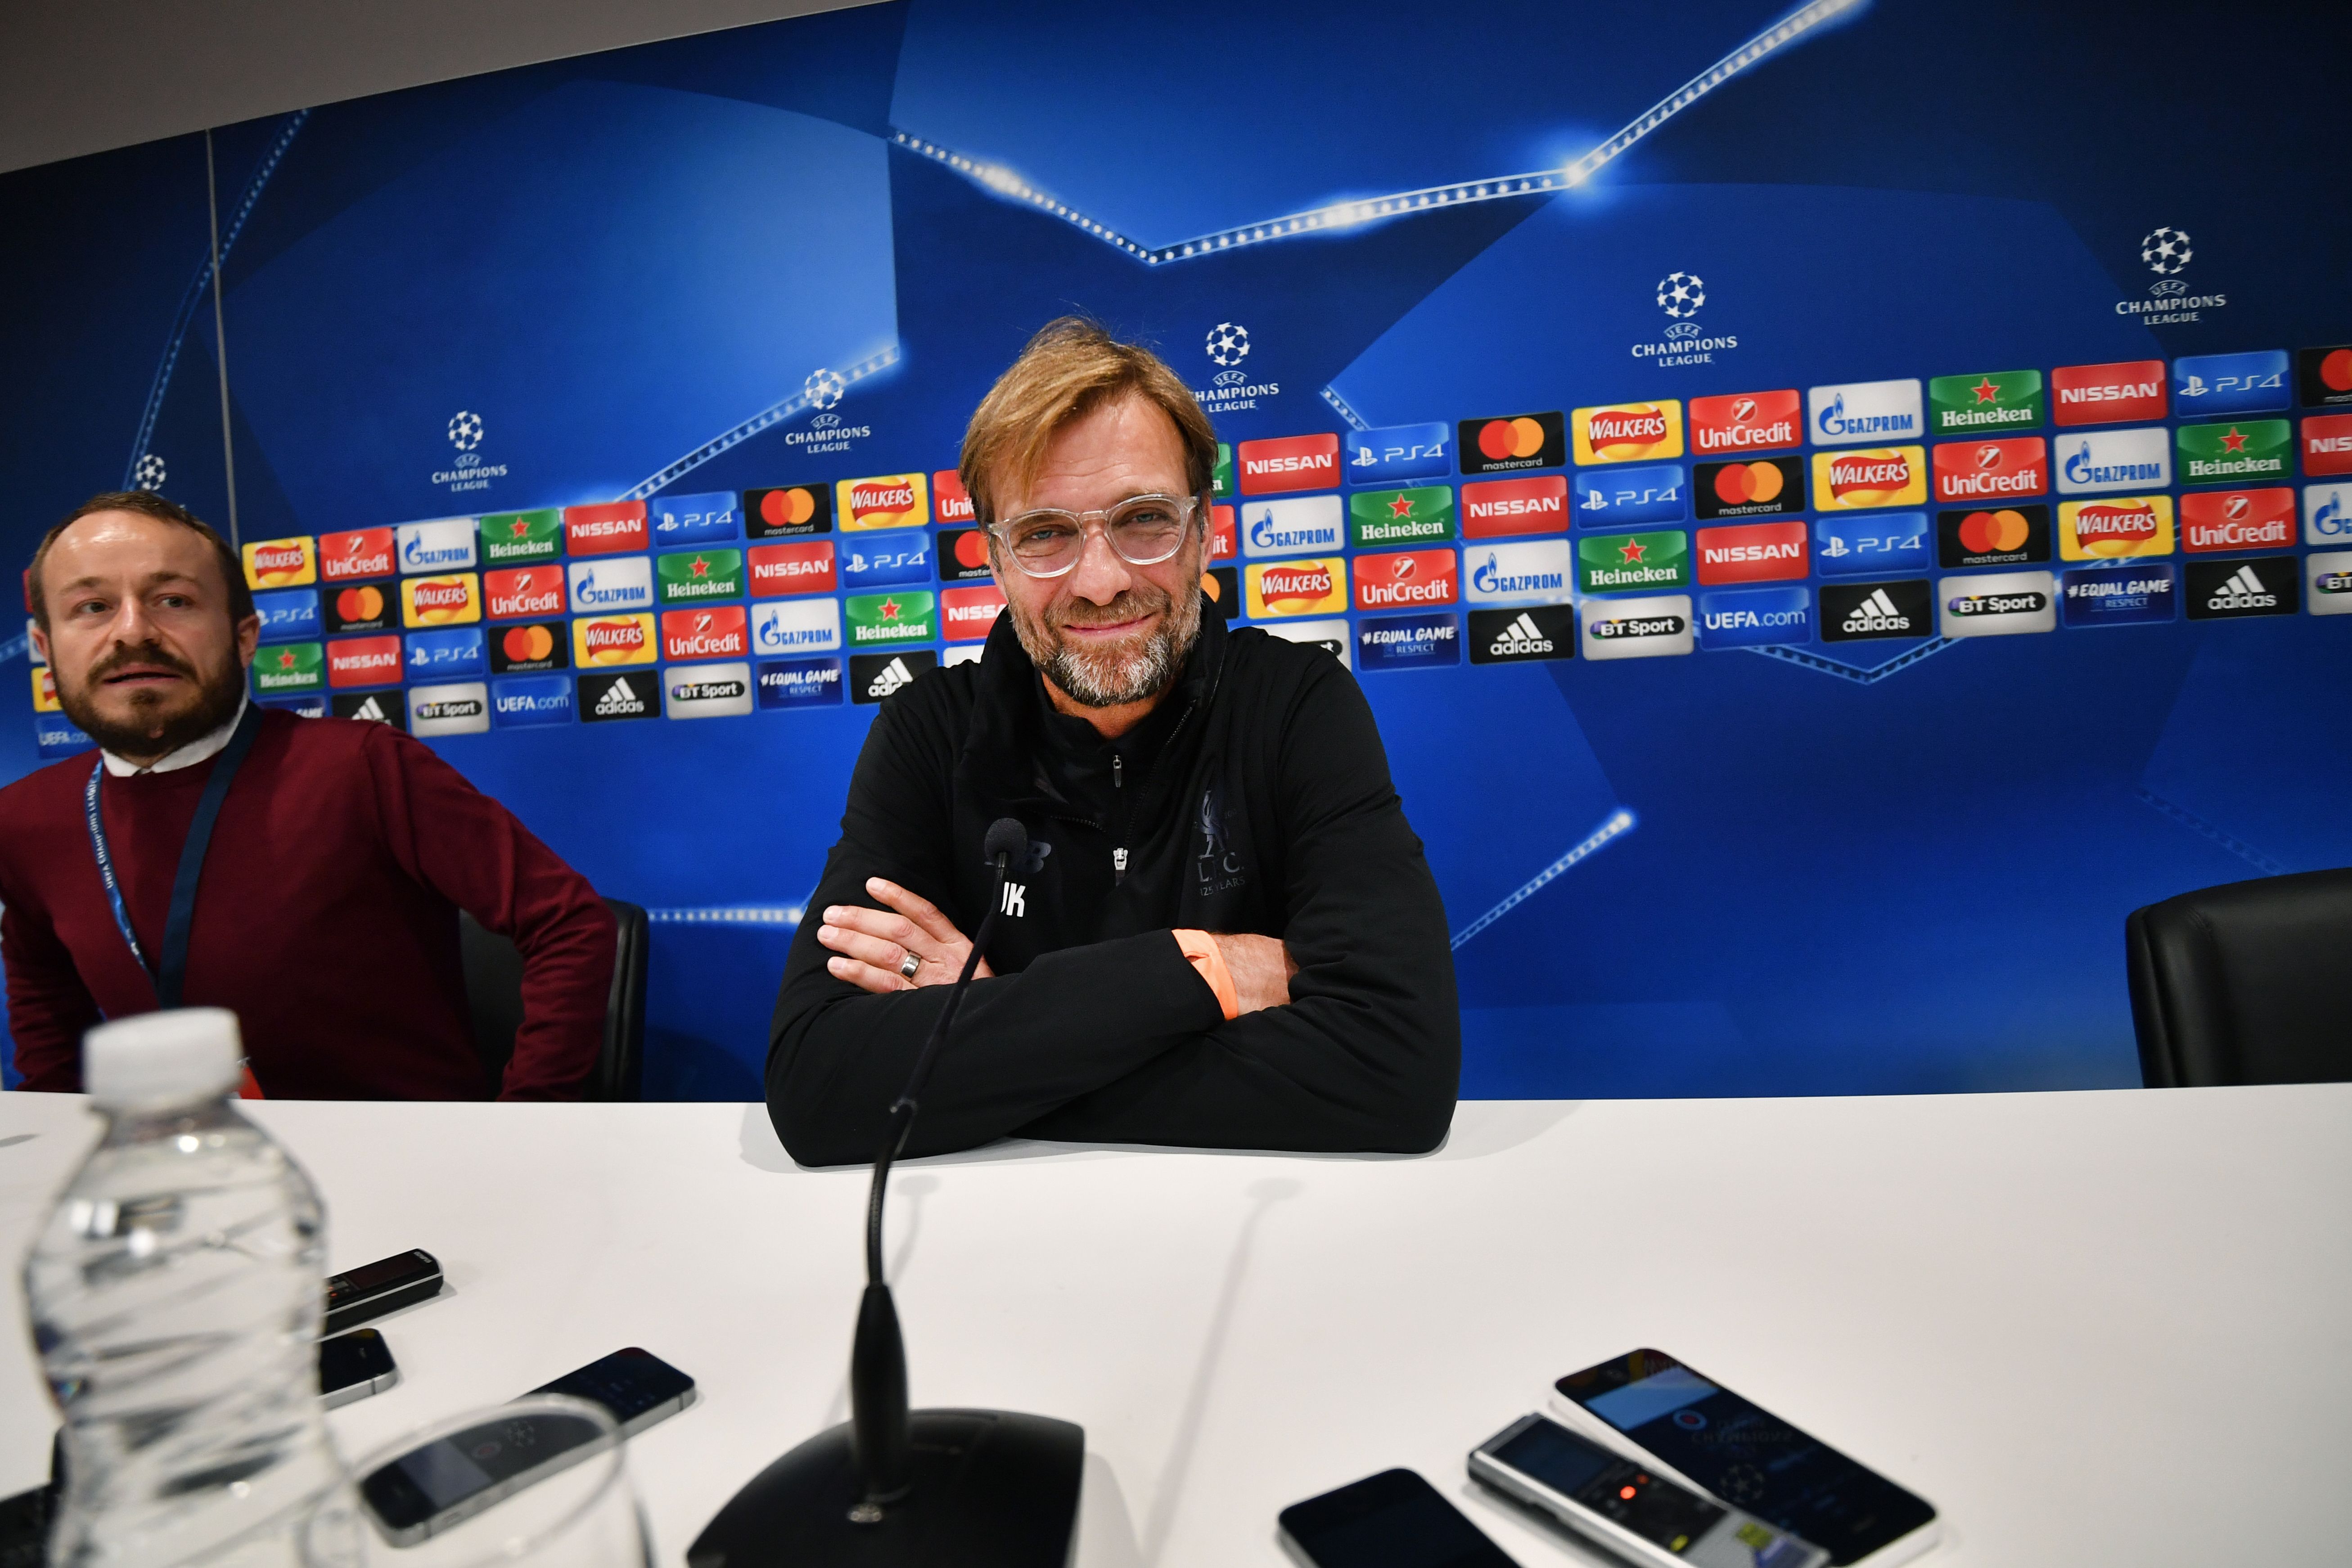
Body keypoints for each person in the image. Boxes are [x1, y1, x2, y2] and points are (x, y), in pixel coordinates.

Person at [766, 320, 1459, 1164]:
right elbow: (818, 1089)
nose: (1101, 582)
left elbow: (1397, 1073)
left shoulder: (1297, 707)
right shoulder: (927, 732)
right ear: (996, 562)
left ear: (1204, 531)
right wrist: (1201, 969)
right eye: (1046, 534)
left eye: (1143, 520)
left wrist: (993, 1036)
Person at [0, 491, 615, 1099]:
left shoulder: (363, 766)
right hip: (188, 1170)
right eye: (92, 606)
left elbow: (569, 925)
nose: (133, 631)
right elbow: (52, 1047)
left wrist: (524, 1128)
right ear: (47, 651)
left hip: (407, 1171)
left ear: (244, 638)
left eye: (174, 601)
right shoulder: (24, 820)